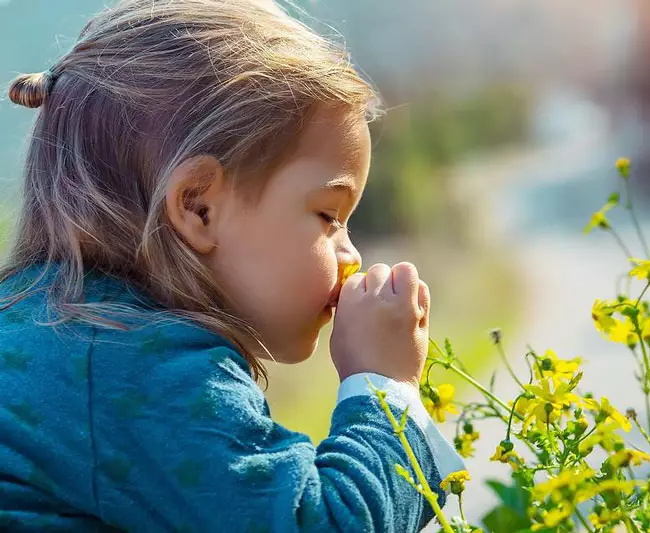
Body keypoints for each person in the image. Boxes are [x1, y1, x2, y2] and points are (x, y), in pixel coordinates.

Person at [0, 0, 465, 530]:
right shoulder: (137, 363)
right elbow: (321, 524)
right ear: (198, 207)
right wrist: (383, 387)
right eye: (327, 215)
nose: (350, 255)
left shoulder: (55, 332)